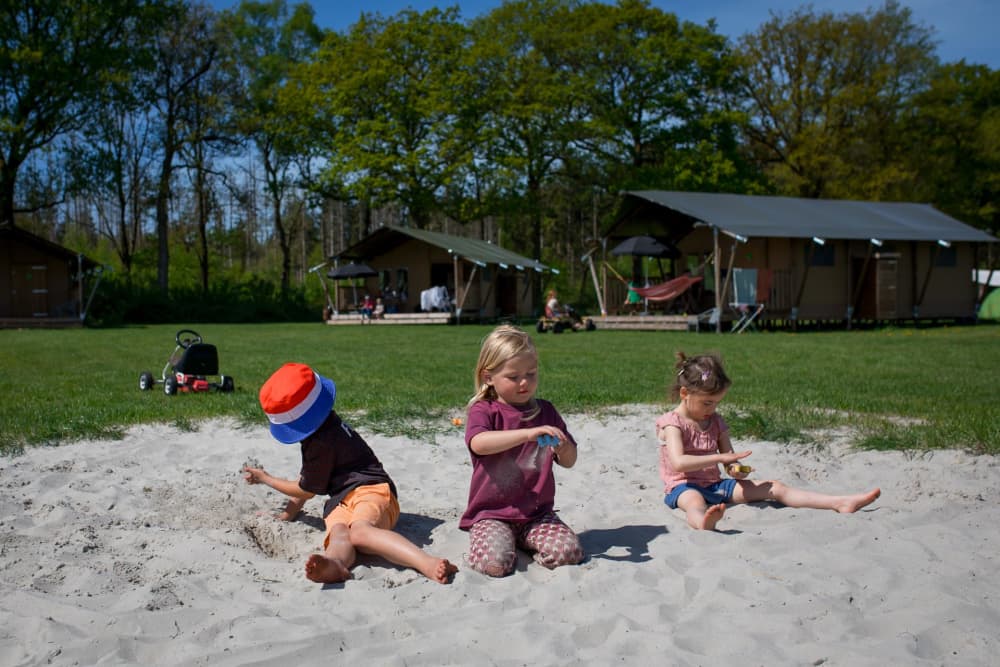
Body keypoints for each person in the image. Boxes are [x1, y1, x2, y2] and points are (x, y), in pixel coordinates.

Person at [244, 362, 457, 584]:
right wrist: (287, 514)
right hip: (340, 501)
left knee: (359, 533)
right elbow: (309, 479)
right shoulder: (326, 424)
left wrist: (265, 478)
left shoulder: (319, 443)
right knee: (339, 534)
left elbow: (305, 490)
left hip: (371, 490)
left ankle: (426, 562)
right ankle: (335, 564)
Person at [657, 352, 881, 531]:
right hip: (683, 486)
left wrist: (736, 470)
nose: (713, 409)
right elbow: (679, 463)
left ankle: (839, 502)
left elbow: (730, 461)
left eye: (717, 403)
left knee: (775, 487)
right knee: (694, 502)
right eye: (707, 403)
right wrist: (721, 458)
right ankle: (703, 522)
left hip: (716, 486)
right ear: (685, 393)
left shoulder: (715, 421)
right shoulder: (673, 423)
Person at [460, 325, 584, 577]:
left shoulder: (546, 412)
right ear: (488, 377)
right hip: (492, 513)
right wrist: (527, 434)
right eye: (513, 377)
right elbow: (478, 443)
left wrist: (563, 448)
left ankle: (524, 540)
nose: (524, 382)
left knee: (569, 553)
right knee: (494, 565)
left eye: (531, 373)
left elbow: (570, 461)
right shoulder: (485, 410)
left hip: (536, 514)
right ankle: (504, 541)